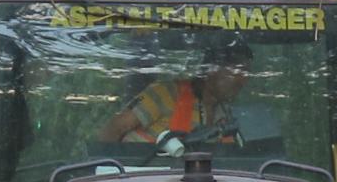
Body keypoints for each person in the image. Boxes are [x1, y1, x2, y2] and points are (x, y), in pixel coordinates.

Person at [99, 39, 252, 151]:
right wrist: (107, 170)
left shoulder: (226, 114)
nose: (243, 80)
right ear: (211, 69)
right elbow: (115, 128)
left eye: (246, 73)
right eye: (238, 72)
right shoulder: (166, 93)